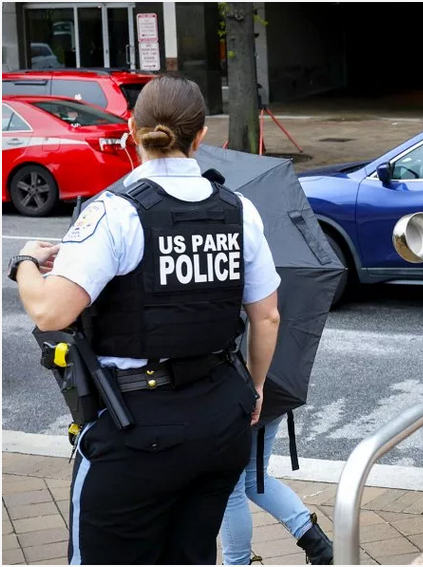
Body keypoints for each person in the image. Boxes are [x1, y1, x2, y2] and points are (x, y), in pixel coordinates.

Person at [7, 75, 281, 564]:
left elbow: (50, 312)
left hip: (138, 429)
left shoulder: (115, 214)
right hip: (221, 422)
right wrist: (256, 389)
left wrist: (24, 263)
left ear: (131, 130)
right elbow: (268, 317)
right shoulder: (240, 210)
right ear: (201, 138)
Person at [220, 415, 334, 565]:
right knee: (256, 479)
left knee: (230, 488)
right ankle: (320, 547)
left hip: (236, 406)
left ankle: (237, 563)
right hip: (273, 400)